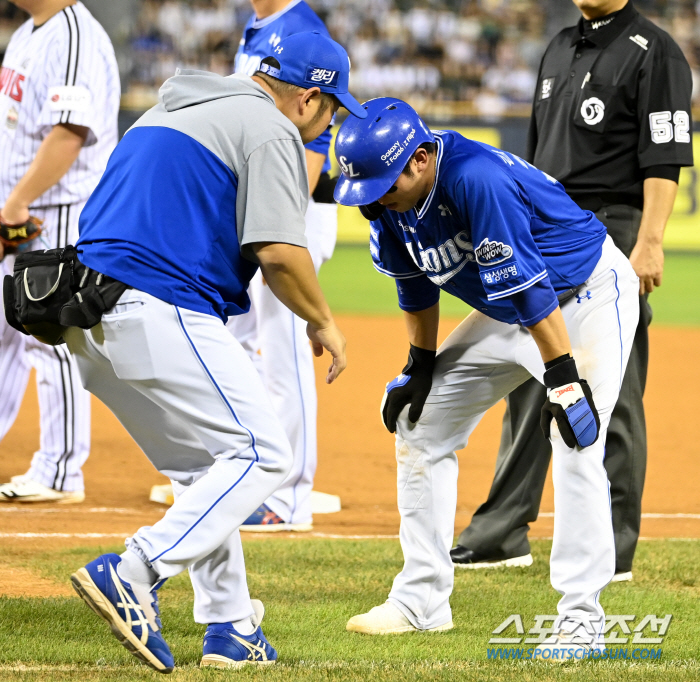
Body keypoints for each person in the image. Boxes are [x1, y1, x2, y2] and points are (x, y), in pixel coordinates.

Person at [67, 32, 364, 671]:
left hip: (84, 314)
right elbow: (279, 253)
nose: (329, 122)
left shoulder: (168, 108)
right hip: (156, 304)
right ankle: (135, 570)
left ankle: (231, 628)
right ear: (309, 98)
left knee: (209, 473)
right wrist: (324, 322)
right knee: (264, 454)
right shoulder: (271, 128)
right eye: (333, 109)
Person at [334, 98, 639, 658]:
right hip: (516, 308)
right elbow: (415, 284)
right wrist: (419, 365)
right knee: (419, 426)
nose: (374, 198)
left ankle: (582, 621)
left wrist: (563, 378)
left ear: (421, 159)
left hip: (585, 295)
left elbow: (526, 286)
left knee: (575, 438)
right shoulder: (388, 204)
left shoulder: (476, 180)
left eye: (382, 183)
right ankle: (421, 601)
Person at [452, 0, 693, 582]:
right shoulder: (559, 46)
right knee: (532, 378)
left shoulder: (655, 50)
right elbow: (530, 162)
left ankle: (612, 545)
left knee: (614, 386)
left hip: (615, 223)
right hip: (549, 225)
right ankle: (502, 530)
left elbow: (664, 158)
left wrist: (651, 241)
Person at [0, 0, 119, 503]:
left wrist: (18, 202)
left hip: (56, 209)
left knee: (49, 331)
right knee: (7, 333)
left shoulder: (72, 33)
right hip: (21, 206)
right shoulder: (31, 30)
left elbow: (69, 132)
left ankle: (60, 469)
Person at [231, 0, 341, 532]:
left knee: (283, 345)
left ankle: (290, 496)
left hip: (290, 207)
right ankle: (246, 472)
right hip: (259, 205)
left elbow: (312, 136)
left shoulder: (300, 29)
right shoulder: (260, 26)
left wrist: (279, 221)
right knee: (240, 344)